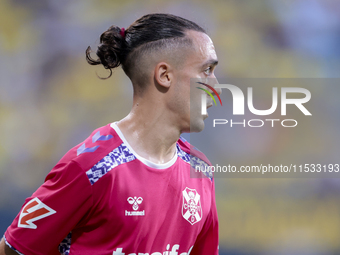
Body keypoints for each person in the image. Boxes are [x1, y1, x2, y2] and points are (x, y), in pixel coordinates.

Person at [0, 13, 220, 255]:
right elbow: (12, 250)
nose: (216, 87)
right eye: (207, 70)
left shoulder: (200, 171)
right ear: (165, 75)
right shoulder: (91, 168)